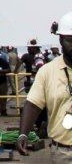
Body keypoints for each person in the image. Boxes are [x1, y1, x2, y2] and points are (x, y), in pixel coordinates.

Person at [18, 12, 72, 157]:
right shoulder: (47, 72)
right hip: (63, 152)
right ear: (60, 40)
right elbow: (33, 105)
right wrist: (23, 134)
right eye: (70, 40)